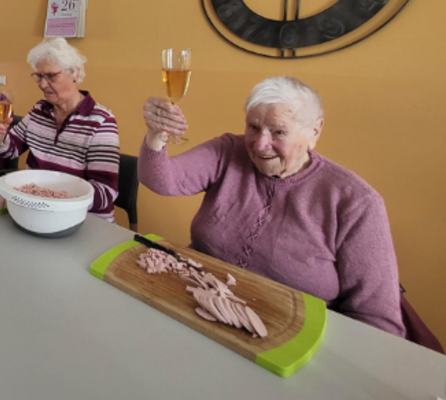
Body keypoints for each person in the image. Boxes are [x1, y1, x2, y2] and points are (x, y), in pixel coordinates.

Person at [139, 75, 405, 336]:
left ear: (315, 131)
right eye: (253, 127)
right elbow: (161, 180)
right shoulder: (228, 151)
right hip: (194, 306)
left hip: (290, 337)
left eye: (278, 132)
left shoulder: (356, 202)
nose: (260, 144)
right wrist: (156, 133)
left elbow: (378, 322)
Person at [0, 38, 120, 220]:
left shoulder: (100, 121)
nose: (42, 84)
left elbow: (105, 193)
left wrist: (49, 199)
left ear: (75, 73)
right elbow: (9, 151)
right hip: (36, 212)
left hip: (82, 220)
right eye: (39, 76)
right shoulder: (39, 110)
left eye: (51, 76)